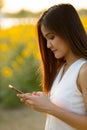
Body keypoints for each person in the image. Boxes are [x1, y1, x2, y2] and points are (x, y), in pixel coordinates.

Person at [17, 4, 87, 130]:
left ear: (68, 31)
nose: (48, 45)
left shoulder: (84, 71)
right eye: (46, 39)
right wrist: (42, 103)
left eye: (51, 37)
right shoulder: (62, 69)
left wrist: (50, 107)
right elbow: (62, 114)